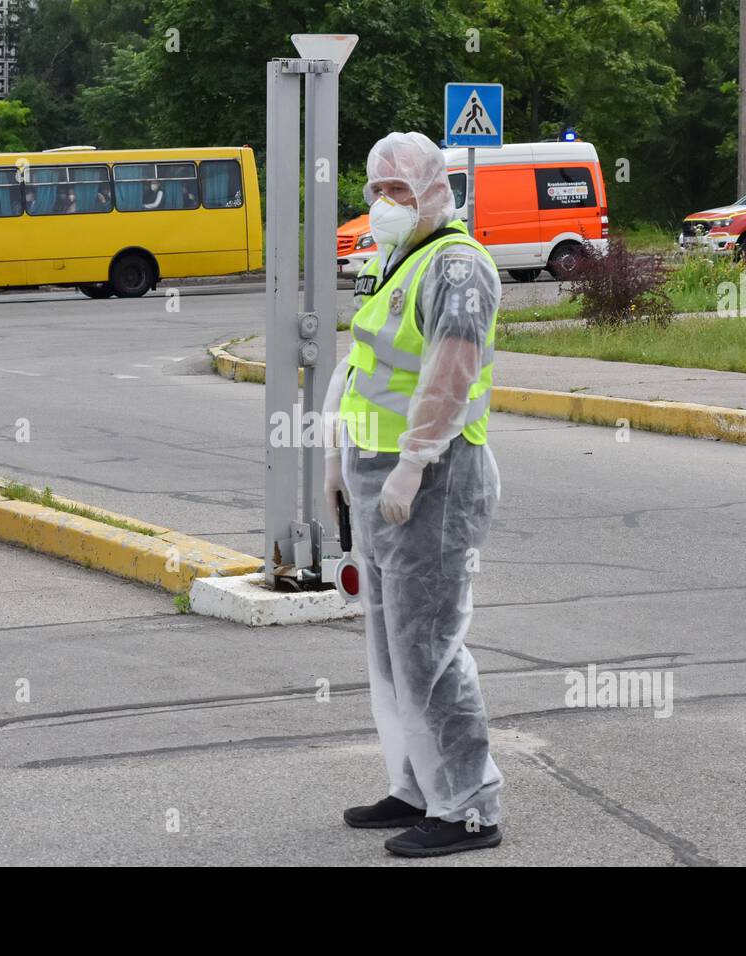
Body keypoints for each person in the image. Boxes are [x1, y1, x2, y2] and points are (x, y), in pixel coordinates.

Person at [323, 130, 504, 858]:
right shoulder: (401, 259)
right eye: (376, 192)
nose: (385, 204)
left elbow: (451, 371)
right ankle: (415, 785)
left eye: (399, 191)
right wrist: (338, 456)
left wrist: (413, 462)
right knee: (392, 649)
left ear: (434, 192)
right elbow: (366, 362)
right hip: (378, 475)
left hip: (434, 477)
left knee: (428, 646)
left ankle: (468, 807)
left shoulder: (457, 266)